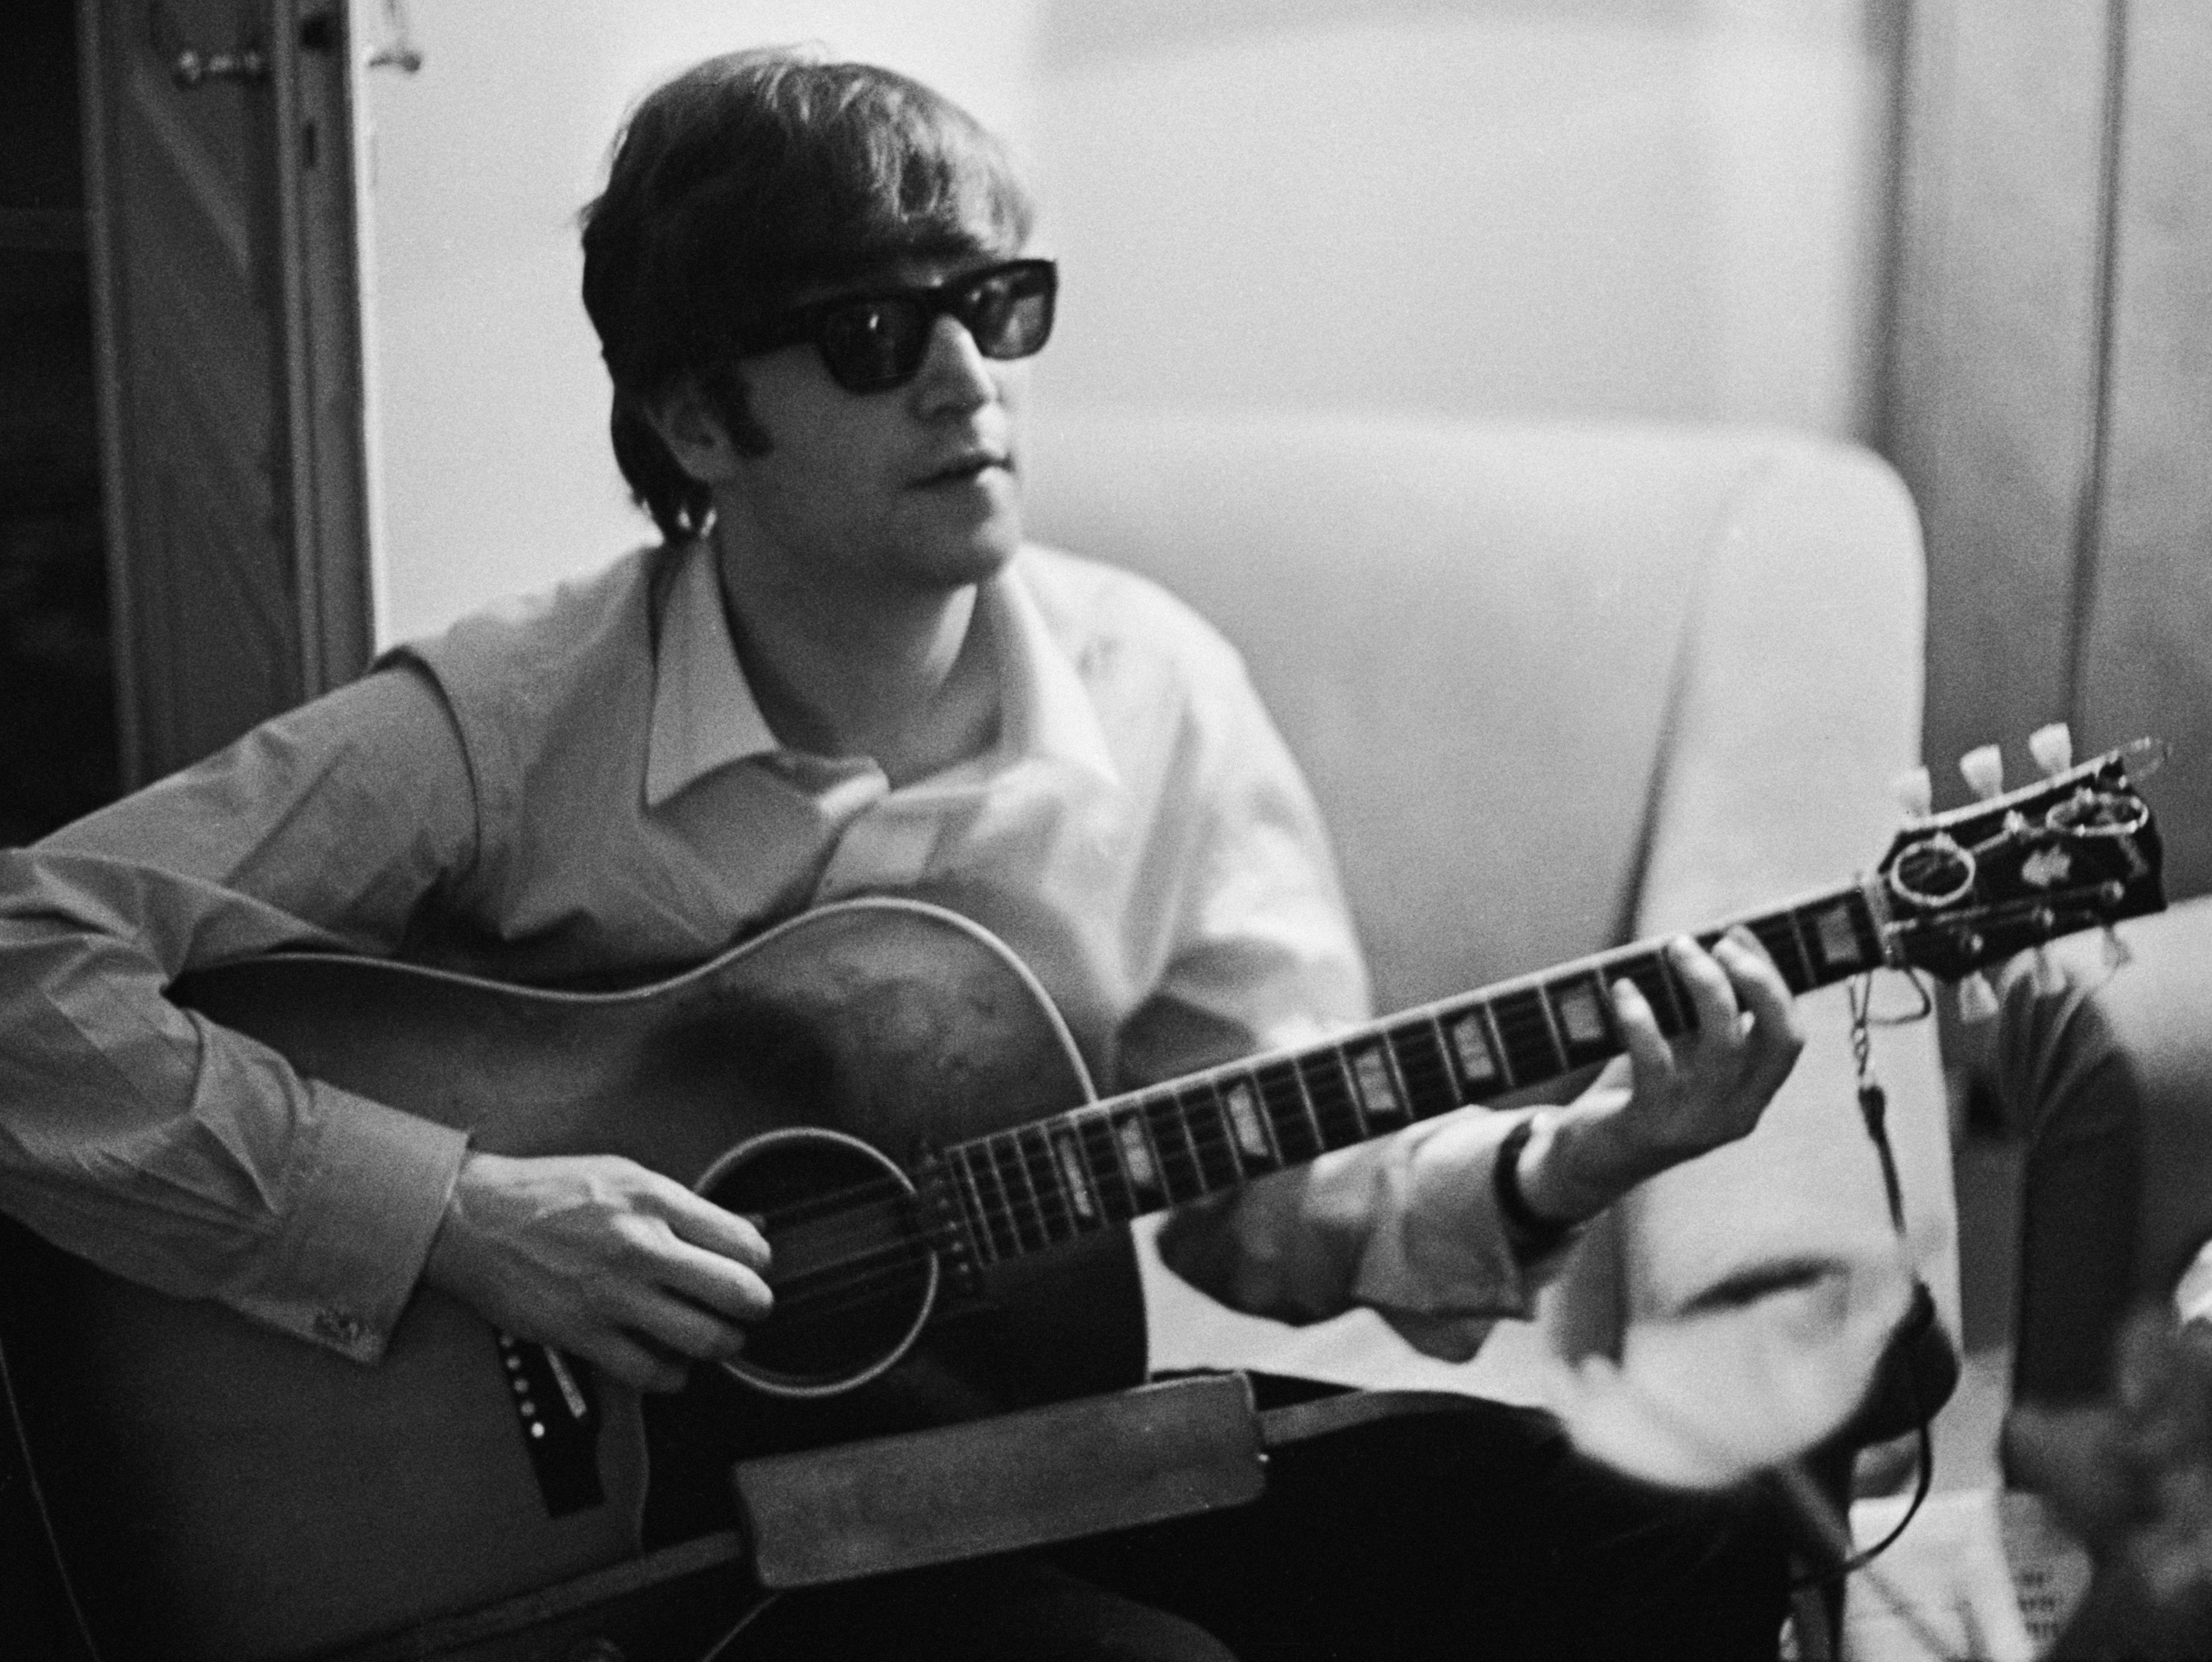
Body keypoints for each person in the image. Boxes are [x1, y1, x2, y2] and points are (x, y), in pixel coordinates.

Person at [0, 48, 1811, 1661]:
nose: (967, 383)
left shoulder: (1155, 690)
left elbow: (1266, 1202)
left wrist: (1574, 1157)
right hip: (669, 1545)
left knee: (1689, 1526)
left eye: (996, 306)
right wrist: (465, 1218)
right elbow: (27, 962)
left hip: (1018, 1462)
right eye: (875, 335)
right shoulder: (508, 718)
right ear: (703, 420)